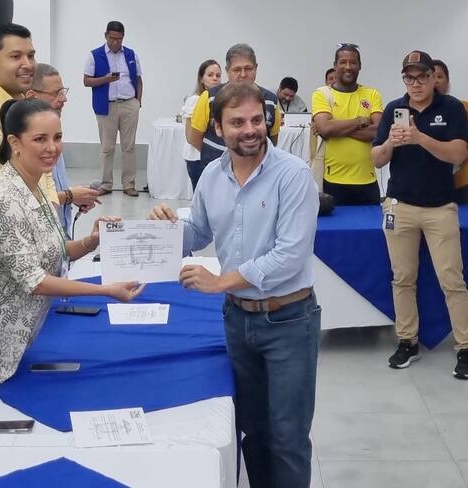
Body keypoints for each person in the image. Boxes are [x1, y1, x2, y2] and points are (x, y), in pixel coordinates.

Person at [149, 82, 320, 488]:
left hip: (288, 321)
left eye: (257, 120)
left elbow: (290, 256)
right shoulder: (212, 175)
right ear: (218, 128)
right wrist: (165, 229)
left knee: (288, 438)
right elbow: (198, 231)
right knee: (254, 431)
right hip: (238, 321)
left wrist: (220, 281)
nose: (250, 130)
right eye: (238, 122)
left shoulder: (293, 175)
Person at [0, 99, 146, 432]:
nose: (52, 148)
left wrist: (92, 240)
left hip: (31, 336)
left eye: (58, 137)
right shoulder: (4, 199)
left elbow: (56, 251)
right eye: (40, 139)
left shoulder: (35, 186)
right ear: (15, 142)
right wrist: (105, 290)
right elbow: (35, 280)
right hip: (1, 346)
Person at [372, 50, 468, 378]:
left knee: (452, 280)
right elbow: (376, 158)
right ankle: (407, 341)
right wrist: (390, 143)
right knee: (402, 278)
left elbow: (458, 153)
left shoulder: (451, 108)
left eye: (421, 77)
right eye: (408, 78)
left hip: (440, 207)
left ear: (432, 77)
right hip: (400, 206)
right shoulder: (393, 109)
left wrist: (420, 138)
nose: (415, 84)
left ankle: (464, 346)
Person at [0, 23, 57, 202]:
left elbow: (45, 176)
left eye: (31, 56)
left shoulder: (23, 106)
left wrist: (51, 212)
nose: (28, 65)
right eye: (16, 56)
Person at [27, 63, 101, 237]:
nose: (63, 99)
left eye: (63, 92)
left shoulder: (53, 134)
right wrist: (69, 196)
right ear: (32, 96)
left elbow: (51, 188)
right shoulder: (25, 147)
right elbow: (29, 202)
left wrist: (75, 195)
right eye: (56, 93)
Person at [189, 43, 281, 170]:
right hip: (216, 168)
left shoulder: (271, 100)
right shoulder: (209, 97)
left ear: (256, 68)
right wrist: (217, 156)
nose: (243, 74)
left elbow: (272, 139)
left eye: (248, 69)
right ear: (227, 70)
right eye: (237, 70)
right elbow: (194, 137)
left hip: (257, 171)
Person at [312, 43, 383, 205]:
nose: (348, 67)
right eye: (343, 62)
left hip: (367, 181)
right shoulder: (321, 94)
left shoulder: (372, 94)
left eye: (353, 62)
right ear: (335, 65)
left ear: (360, 66)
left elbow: (379, 131)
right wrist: (360, 121)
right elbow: (325, 128)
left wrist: (335, 128)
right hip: (333, 181)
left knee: (371, 223)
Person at [83, 20, 142, 197]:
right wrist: (106, 79)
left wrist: (138, 102)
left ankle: (129, 184)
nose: (115, 42)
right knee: (107, 148)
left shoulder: (131, 54)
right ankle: (106, 184)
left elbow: (139, 79)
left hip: (129, 104)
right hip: (106, 106)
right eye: (112, 38)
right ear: (106, 36)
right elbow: (86, 81)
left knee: (129, 147)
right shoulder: (94, 55)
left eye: (119, 39)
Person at [181, 59, 222, 190]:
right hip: (198, 159)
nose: (215, 78)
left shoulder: (218, 100)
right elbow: (190, 137)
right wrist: (209, 154)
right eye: (210, 75)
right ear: (201, 79)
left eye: (218, 75)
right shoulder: (195, 100)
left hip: (212, 159)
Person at [432, 59, 468, 203]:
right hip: (430, 185)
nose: (435, 81)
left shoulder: (463, 107)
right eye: (430, 77)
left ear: (447, 82)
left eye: (439, 77)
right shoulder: (415, 114)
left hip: (463, 183)